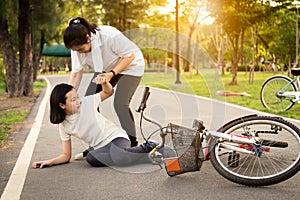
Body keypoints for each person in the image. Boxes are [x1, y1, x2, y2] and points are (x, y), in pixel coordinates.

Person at [32, 76, 157, 168]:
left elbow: (108, 92)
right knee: (91, 158)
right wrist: (49, 162)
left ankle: (147, 146)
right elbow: (66, 155)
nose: (78, 101)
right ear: (62, 105)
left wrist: (105, 82)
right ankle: (144, 156)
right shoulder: (64, 126)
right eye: (73, 100)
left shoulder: (87, 102)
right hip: (101, 147)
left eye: (77, 97)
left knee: (119, 157)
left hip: (116, 138)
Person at [63, 17, 145, 148]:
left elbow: (130, 56)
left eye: (80, 49)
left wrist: (111, 74)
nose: (78, 53)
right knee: (89, 101)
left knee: (120, 104)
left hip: (131, 66)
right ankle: (100, 143)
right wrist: (66, 95)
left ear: (88, 38)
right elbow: (76, 73)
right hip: (105, 69)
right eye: (75, 50)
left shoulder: (109, 35)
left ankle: (132, 144)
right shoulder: (76, 47)